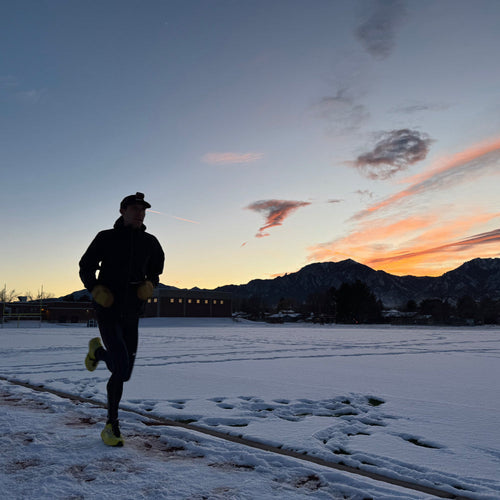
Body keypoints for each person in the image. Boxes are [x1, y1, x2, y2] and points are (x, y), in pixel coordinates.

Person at [79, 192, 164, 446]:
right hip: (108, 308)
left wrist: (150, 284)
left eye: (143, 210)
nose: (140, 213)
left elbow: (155, 272)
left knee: (123, 372)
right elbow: (86, 265)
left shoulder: (151, 242)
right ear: (122, 211)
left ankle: (97, 354)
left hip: (132, 312)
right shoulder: (106, 237)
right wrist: (95, 289)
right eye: (134, 208)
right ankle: (111, 426)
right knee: (120, 365)